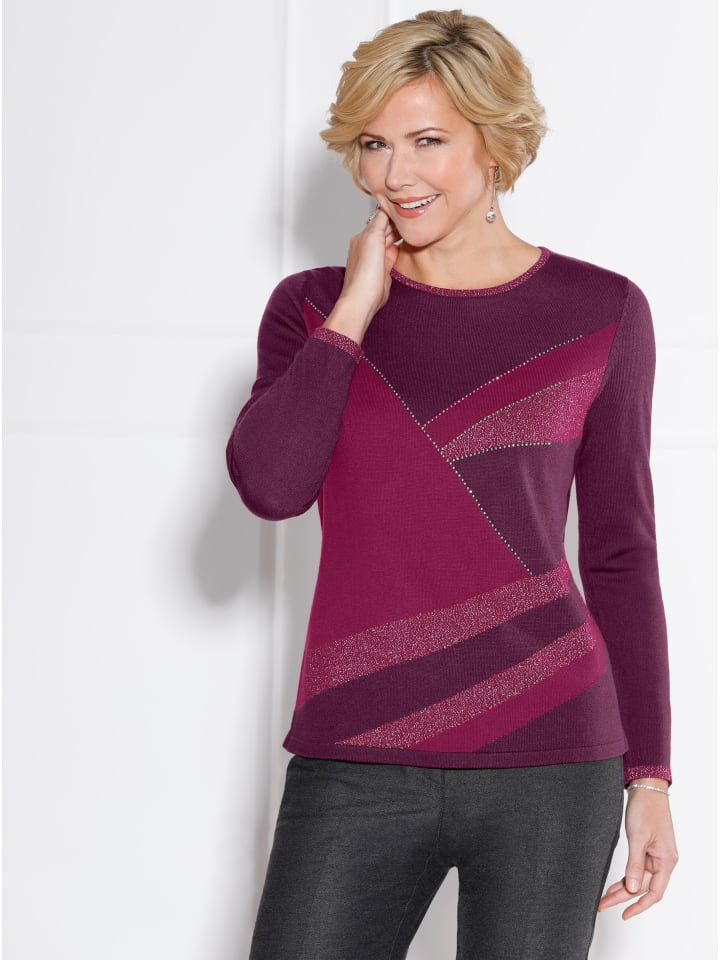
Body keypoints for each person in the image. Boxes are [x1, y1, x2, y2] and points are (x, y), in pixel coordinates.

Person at [225, 10, 678, 958]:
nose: (395, 174)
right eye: (374, 144)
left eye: (427, 140)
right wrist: (355, 309)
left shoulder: (601, 312)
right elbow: (271, 487)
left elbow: (621, 555)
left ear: (496, 144)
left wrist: (650, 776)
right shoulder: (310, 307)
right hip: (356, 753)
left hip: (553, 761)